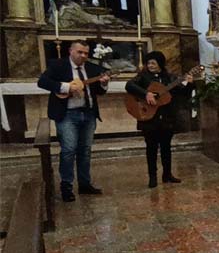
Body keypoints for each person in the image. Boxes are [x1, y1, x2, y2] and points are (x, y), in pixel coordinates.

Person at [37, 40, 109, 202]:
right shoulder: (58, 65)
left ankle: (84, 184)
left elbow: (99, 91)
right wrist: (66, 87)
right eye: (79, 52)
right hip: (67, 114)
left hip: (88, 113)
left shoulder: (92, 68)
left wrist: (104, 84)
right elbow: (42, 82)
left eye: (86, 53)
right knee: (69, 149)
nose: (83, 56)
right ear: (71, 51)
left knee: (85, 150)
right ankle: (66, 186)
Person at [125, 51, 194, 188]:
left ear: (160, 64)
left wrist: (190, 84)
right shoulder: (143, 77)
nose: (150, 65)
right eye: (148, 63)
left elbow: (182, 94)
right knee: (151, 148)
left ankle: (167, 175)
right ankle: (152, 177)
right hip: (149, 118)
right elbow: (129, 85)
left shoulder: (170, 78)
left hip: (167, 117)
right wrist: (146, 94)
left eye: (153, 63)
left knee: (166, 147)